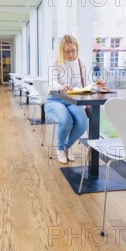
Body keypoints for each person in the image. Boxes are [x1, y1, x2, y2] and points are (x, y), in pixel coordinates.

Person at [45, 35, 89, 164]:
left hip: (73, 100)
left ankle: (67, 147)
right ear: (61, 51)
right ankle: (60, 149)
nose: (71, 54)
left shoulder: (82, 63)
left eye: (74, 50)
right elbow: (50, 84)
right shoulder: (54, 63)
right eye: (67, 51)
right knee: (65, 120)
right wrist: (60, 86)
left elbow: (87, 83)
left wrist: (97, 84)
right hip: (55, 100)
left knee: (82, 123)